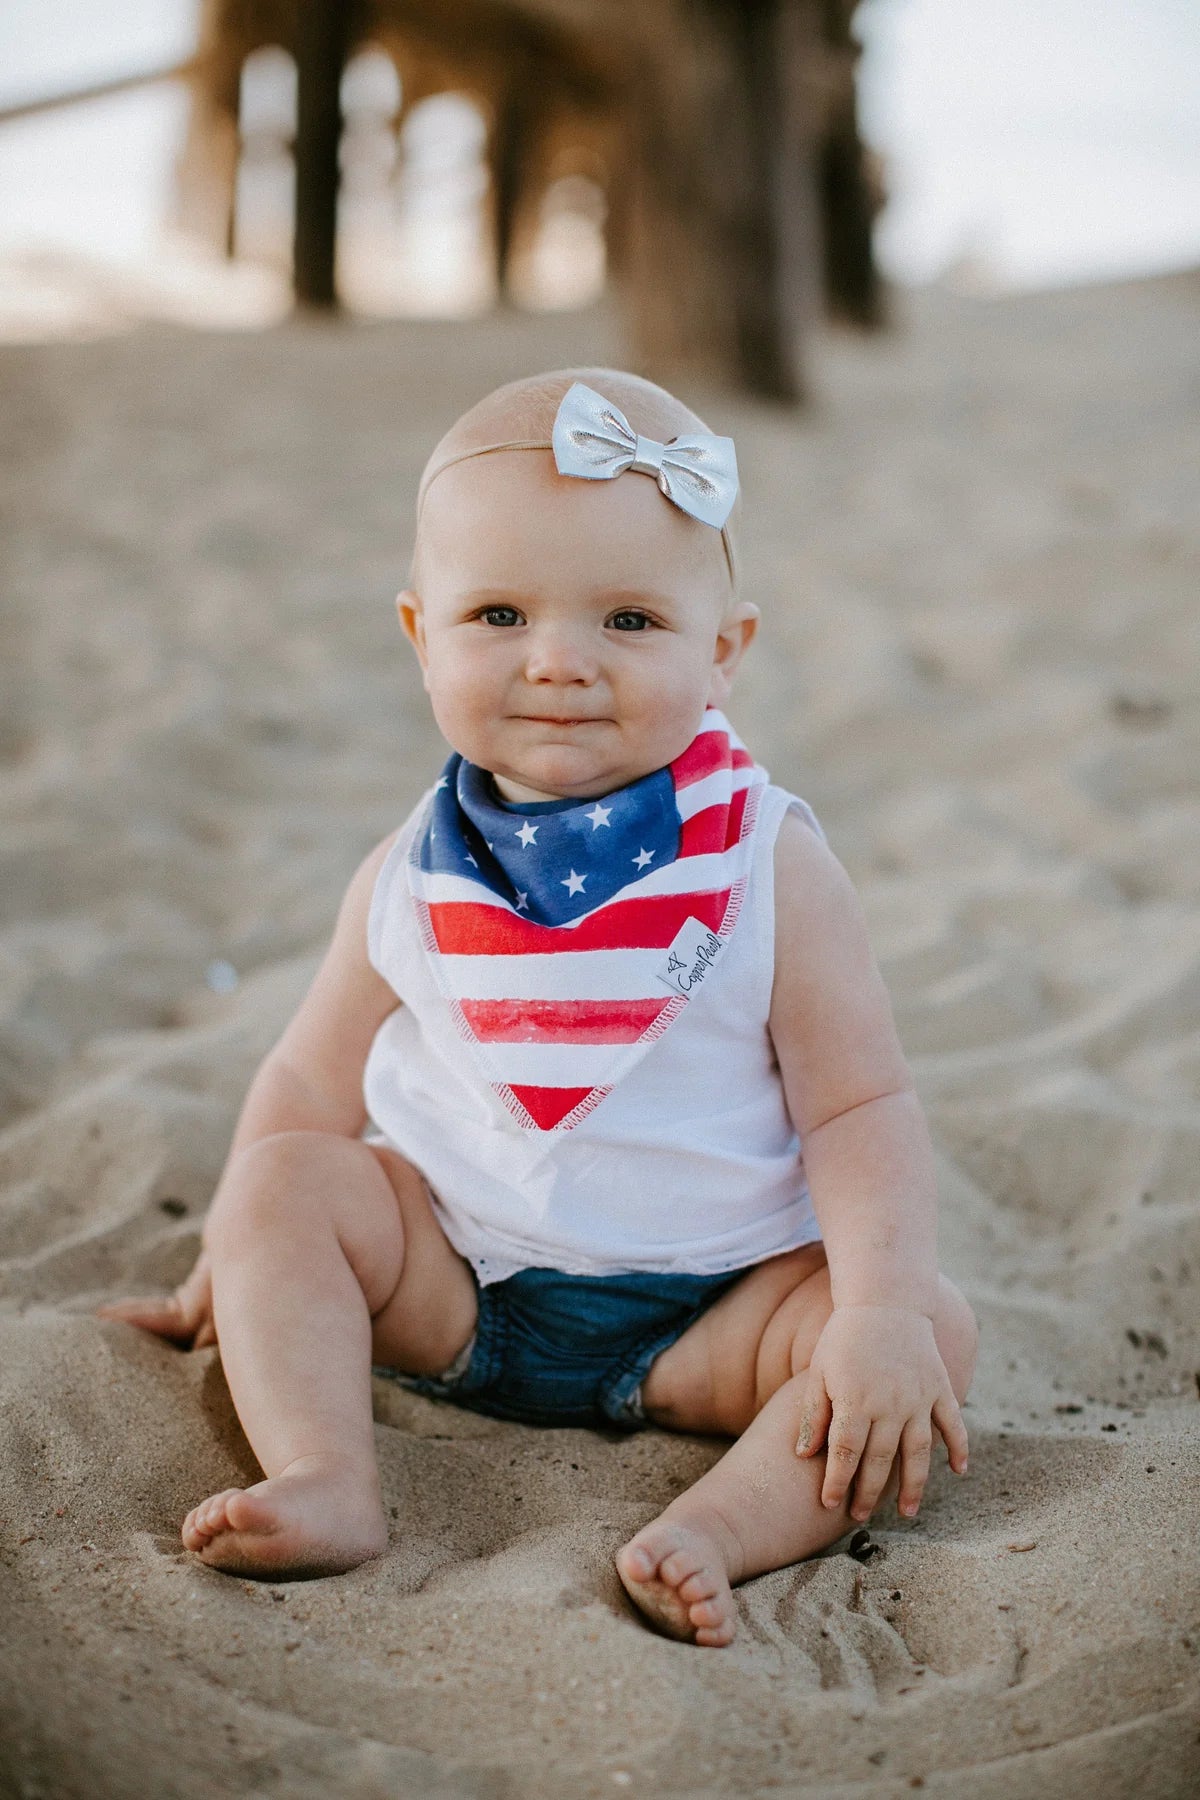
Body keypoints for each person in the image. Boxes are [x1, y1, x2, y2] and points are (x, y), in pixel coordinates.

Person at [98, 368, 977, 1648]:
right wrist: (231, 1243)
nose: (559, 662)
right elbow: (306, 1080)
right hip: (458, 1284)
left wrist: (881, 1312)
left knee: (931, 1329)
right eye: (500, 613)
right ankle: (327, 1475)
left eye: (628, 621)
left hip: (712, 1321)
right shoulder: (414, 870)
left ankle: (716, 1530)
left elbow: (860, 1104)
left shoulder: (764, 864)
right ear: (420, 635)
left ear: (721, 651)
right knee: (289, 1178)